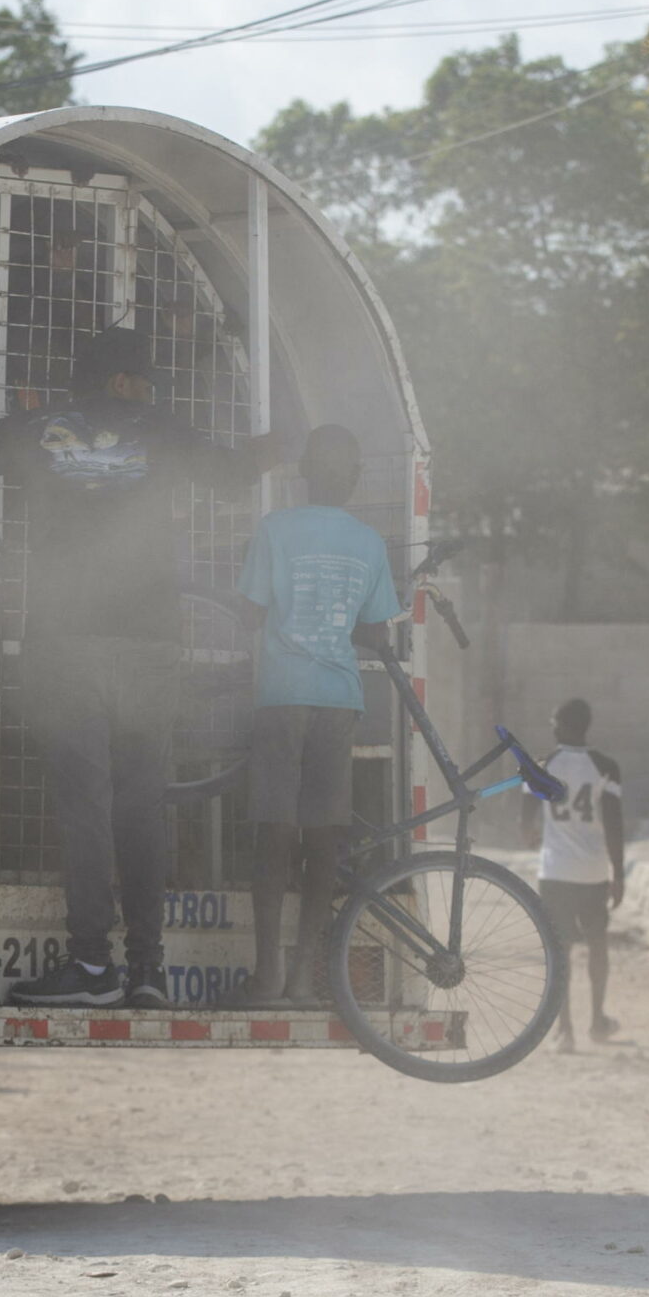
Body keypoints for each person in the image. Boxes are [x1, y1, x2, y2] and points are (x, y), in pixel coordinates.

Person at [0, 326, 283, 1007]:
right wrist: (275, 438)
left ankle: (91, 966)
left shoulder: (36, 428)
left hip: (65, 645)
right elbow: (235, 476)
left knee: (84, 806)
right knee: (141, 803)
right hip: (151, 644)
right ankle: (148, 971)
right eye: (146, 381)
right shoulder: (161, 428)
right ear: (126, 382)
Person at [237, 424, 401, 1004]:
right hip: (339, 703)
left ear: (303, 473)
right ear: (355, 479)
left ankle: (266, 974)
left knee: (272, 835)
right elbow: (378, 632)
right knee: (324, 840)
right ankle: (305, 977)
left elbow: (251, 612)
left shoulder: (274, 529)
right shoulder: (369, 542)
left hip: (281, 698)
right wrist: (340, 617)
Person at [533, 699, 625, 1050]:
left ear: (566, 726)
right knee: (597, 945)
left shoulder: (543, 765)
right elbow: (615, 824)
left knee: (560, 951)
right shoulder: (606, 767)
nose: (552, 727)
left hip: (555, 871)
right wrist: (619, 875)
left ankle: (564, 1031)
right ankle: (597, 1022)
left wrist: (536, 830)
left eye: (555, 722)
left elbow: (525, 825)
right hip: (593, 871)